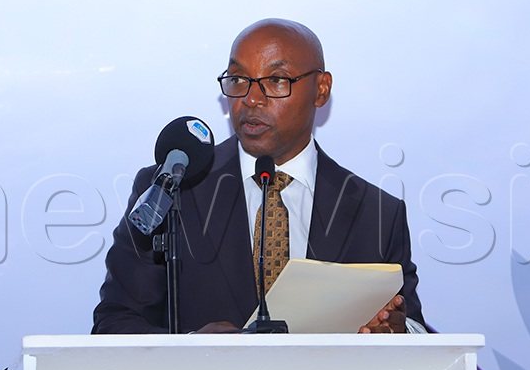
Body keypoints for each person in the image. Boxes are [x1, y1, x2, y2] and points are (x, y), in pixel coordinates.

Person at [92, 18, 425, 334]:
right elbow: (113, 323)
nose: (251, 99)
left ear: (321, 89)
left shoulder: (377, 213)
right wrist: (193, 347)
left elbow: (414, 327)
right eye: (238, 79)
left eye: (276, 80)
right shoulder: (170, 190)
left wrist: (397, 332)